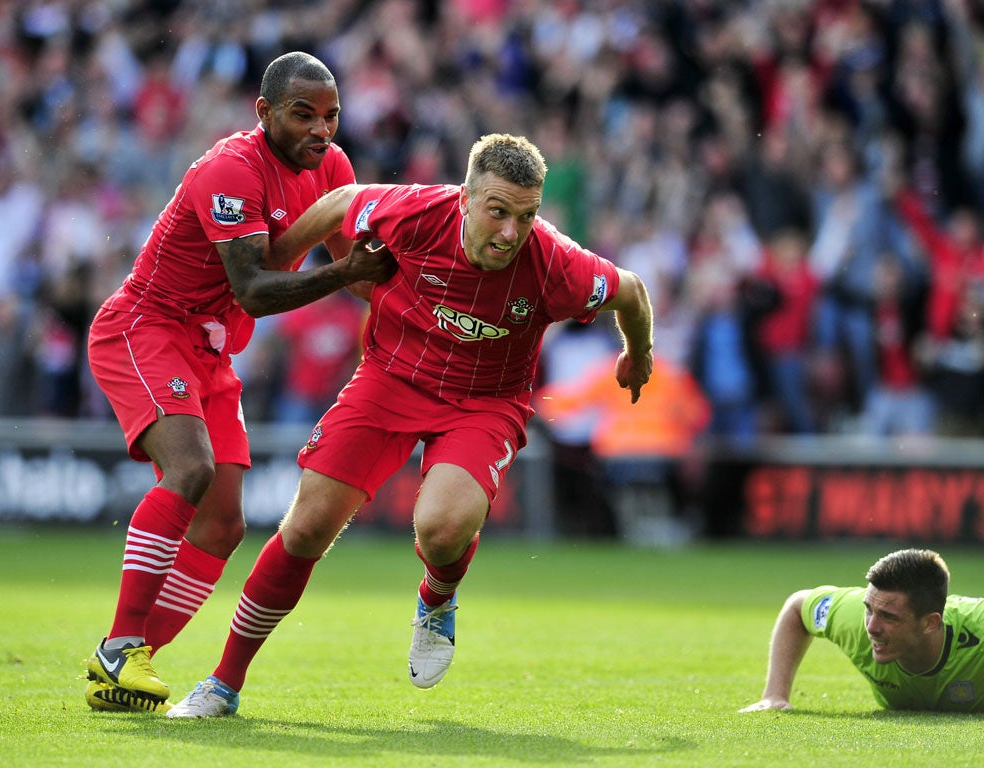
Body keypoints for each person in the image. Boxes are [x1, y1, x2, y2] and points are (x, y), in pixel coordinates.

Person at [165, 132, 655, 717]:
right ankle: (223, 683)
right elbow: (340, 202)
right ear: (465, 200)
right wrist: (278, 260)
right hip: (390, 379)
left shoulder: (556, 264)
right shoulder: (416, 211)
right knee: (304, 530)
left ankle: (437, 597)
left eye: (526, 216)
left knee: (443, 530)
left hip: (485, 402)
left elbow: (631, 290)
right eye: (497, 212)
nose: (510, 232)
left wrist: (640, 353)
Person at [81, 51, 395, 714]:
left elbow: (362, 275)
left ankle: (123, 669)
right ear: (264, 112)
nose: (321, 129)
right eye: (303, 114)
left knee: (223, 525)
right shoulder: (231, 169)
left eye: (331, 116)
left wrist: (427, 283)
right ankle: (119, 647)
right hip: (147, 326)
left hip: (211, 351)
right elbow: (252, 289)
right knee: (190, 471)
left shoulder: (333, 169)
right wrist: (343, 277)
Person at [740, 548, 984, 713]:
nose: (872, 627)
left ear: (930, 623)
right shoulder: (853, 619)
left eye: (889, 617)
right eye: (869, 609)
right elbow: (798, 607)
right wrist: (774, 696)